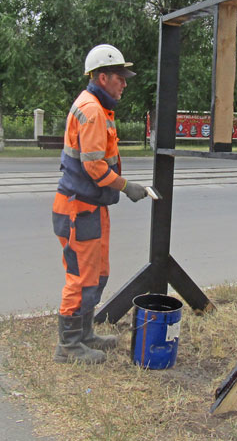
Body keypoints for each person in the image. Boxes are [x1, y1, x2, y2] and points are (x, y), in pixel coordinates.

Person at [52, 44, 148, 364]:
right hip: (79, 208)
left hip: (90, 206)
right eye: (120, 77)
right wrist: (127, 187)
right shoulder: (92, 110)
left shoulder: (98, 107)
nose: (124, 83)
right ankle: (68, 345)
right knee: (81, 277)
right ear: (103, 77)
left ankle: (85, 334)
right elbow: (94, 167)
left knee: (97, 273)